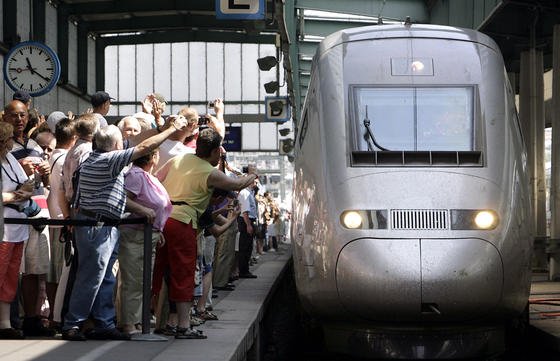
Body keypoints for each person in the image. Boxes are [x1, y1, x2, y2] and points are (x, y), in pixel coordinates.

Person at [61, 115, 188, 341]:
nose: (125, 145)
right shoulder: (109, 160)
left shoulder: (96, 156)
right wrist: (171, 130)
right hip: (96, 226)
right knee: (91, 276)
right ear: (116, 146)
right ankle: (73, 324)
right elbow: (144, 146)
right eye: (122, 143)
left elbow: (141, 140)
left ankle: (104, 322)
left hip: (104, 225)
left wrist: (163, 126)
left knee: (105, 277)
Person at [155, 127, 257, 339]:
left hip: (165, 219)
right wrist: (252, 175)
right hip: (184, 222)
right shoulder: (209, 172)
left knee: (164, 273)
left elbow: (156, 178)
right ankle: (184, 326)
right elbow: (238, 184)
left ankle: (166, 322)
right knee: (184, 274)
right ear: (214, 152)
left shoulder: (178, 160)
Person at [117, 149, 171, 335]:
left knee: (143, 281)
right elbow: (123, 200)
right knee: (133, 279)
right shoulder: (135, 176)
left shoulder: (147, 176)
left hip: (149, 234)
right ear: (154, 157)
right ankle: (129, 322)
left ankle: (138, 319)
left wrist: (158, 228)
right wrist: (143, 210)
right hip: (135, 235)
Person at [0, 122, 31, 339]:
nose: (14, 140)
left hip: (18, 226)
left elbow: (26, 183)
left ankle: (4, 323)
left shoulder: (10, 158)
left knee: (11, 276)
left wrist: (25, 192)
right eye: (10, 137)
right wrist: (13, 196)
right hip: (3, 228)